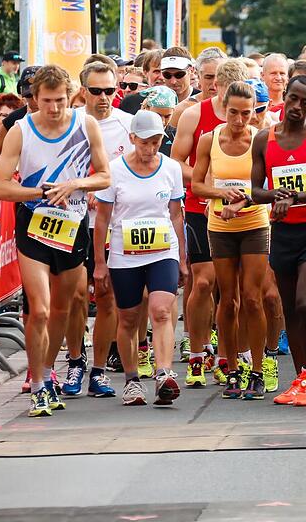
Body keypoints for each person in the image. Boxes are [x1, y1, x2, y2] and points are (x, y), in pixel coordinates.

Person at [0, 65, 110, 417]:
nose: (54, 108)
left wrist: (74, 185)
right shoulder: (21, 131)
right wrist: (37, 191)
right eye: (46, 101)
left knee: (63, 308)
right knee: (39, 310)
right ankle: (39, 382)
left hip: (71, 225)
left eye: (59, 101)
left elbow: (104, 176)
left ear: (70, 96)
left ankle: (47, 372)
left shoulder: (85, 125)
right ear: (34, 98)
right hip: (33, 224)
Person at [250, 75, 306, 406]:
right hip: (283, 229)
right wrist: (276, 196)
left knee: (304, 301)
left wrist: (295, 197)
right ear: (284, 96)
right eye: (294, 99)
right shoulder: (263, 139)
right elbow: (256, 190)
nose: (298, 106)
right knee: (289, 306)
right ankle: (300, 377)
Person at [92, 111, 188, 406]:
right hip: (125, 255)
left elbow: (175, 214)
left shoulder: (171, 168)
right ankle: (132, 380)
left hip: (163, 252)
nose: (151, 149)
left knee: (160, 310)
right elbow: (102, 219)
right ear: (132, 139)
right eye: (145, 142)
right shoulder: (115, 171)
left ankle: (164, 374)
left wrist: (183, 257)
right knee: (130, 318)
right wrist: (99, 262)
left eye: (157, 142)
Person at [190, 82, 271, 399]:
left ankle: (258, 369)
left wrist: (245, 200)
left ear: (255, 112)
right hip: (220, 226)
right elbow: (197, 185)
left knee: (253, 298)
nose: (240, 120)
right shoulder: (210, 140)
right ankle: (232, 367)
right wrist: (220, 194)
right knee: (228, 299)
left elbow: (269, 185)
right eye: (234, 113)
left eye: (247, 113)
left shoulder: (261, 139)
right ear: (224, 109)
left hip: (254, 223)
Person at [62, 62, 133, 399]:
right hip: (73, 224)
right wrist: (81, 189)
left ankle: (99, 371)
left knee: (108, 299)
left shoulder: (127, 125)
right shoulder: (67, 122)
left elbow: (137, 173)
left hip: (112, 225)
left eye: (110, 90)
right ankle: (75, 360)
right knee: (75, 298)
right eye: (97, 91)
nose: (105, 97)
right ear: (82, 90)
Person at [173, 59, 248, 379]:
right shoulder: (194, 115)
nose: (233, 112)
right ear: (216, 88)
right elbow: (175, 162)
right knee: (203, 281)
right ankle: (197, 351)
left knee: (236, 288)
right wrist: (212, 185)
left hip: (243, 211)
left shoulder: (251, 119)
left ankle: (232, 355)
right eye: (225, 101)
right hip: (199, 205)